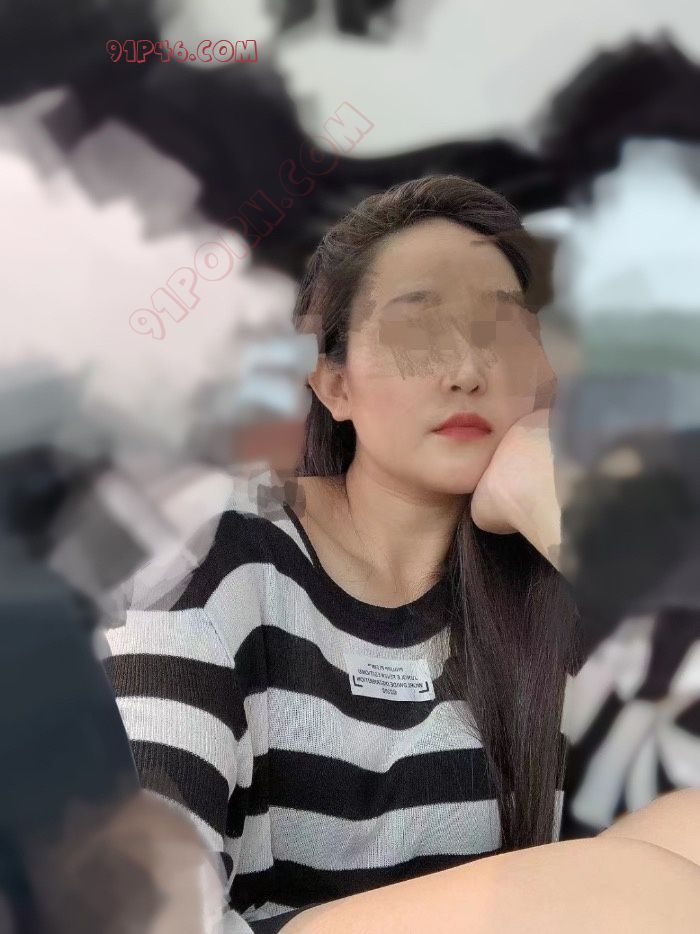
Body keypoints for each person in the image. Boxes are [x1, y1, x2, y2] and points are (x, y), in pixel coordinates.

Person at [103, 175, 700, 933]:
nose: (466, 371)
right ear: (335, 384)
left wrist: (554, 502)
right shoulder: (206, 548)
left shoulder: (542, 583)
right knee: (628, 892)